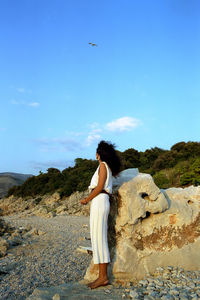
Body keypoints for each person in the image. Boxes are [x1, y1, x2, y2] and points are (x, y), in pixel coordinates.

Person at [80, 140, 121, 289]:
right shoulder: (105, 166)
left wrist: (87, 199)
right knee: (97, 239)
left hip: (99, 200)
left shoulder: (103, 166)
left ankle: (103, 277)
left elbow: (99, 187)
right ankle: (101, 276)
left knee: (100, 239)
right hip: (99, 201)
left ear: (98, 154)